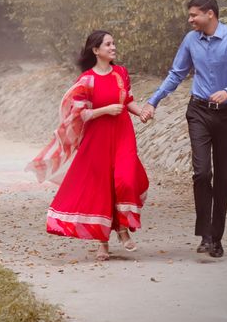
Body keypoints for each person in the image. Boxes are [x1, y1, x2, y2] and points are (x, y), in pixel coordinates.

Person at [140, 0, 227, 259]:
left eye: (194, 14)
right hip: (198, 112)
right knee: (202, 172)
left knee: (223, 177)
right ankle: (205, 235)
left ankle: (216, 238)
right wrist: (153, 101)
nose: (190, 19)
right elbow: (177, 73)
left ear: (210, 14)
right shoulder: (191, 40)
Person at [27, 30, 149, 262]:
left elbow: (129, 101)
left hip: (123, 134)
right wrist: (105, 110)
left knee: (125, 179)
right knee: (102, 188)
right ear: (96, 50)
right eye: (108, 44)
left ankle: (122, 229)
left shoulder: (121, 73)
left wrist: (141, 112)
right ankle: (103, 243)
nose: (113, 48)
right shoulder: (86, 80)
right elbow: (79, 114)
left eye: (114, 44)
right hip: (97, 139)